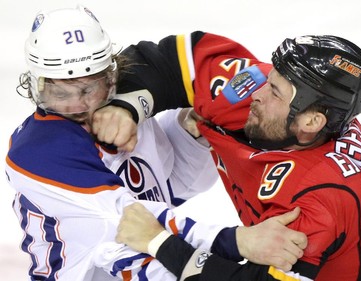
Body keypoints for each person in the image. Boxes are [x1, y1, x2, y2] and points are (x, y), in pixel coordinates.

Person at [5, 6, 307, 281]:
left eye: (87, 89)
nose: (79, 106)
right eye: (60, 93)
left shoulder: (125, 108)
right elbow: (132, 224)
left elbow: (170, 188)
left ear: (110, 77)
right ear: (38, 85)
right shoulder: (38, 151)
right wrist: (240, 241)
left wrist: (192, 135)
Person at [113, 31, 361, 280]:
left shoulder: (316, 201)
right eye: (271, 80)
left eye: (274, 92)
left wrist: (160, 242)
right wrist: (127, 108)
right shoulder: (274, 103)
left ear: (311, 122)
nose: (255, 94)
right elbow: (168, 61)